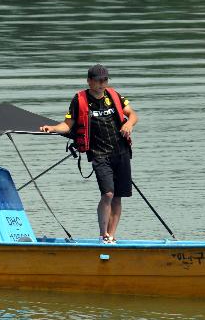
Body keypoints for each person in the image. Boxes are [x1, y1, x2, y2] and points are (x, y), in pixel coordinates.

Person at [39, 64, 138, 244]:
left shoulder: (114, 96)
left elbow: (132, 114)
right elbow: (67, 125)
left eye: (105, 80)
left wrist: (129, 124)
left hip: (121, 152)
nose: (102, 84)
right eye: (98, 81)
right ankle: (103, 235)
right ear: (89, 81)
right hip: (99, 154)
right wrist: (52, 128)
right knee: (107, 194)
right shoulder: (79, 99)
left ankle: (112, 236)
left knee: (118, 196)